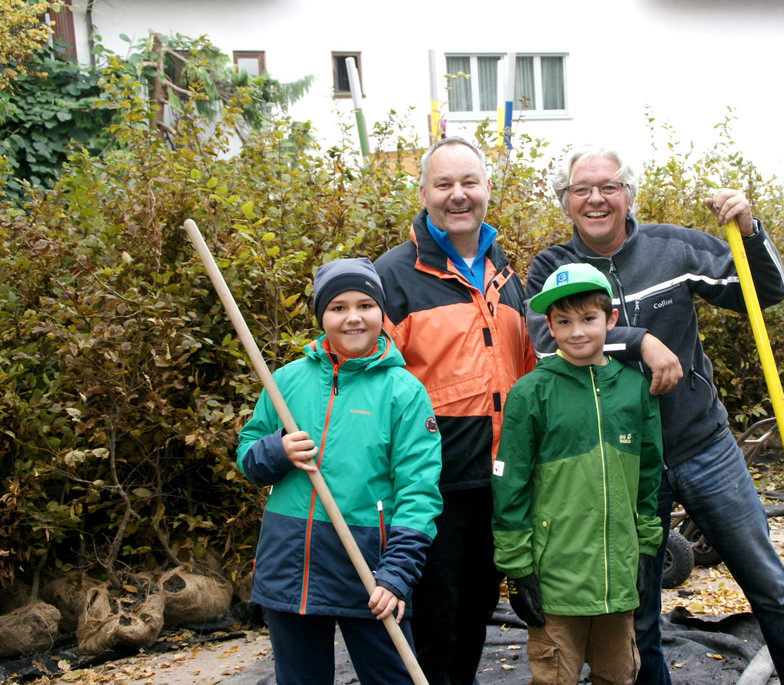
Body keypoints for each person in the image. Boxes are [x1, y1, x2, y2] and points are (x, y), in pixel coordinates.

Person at [525, 145, 784, 685]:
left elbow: (761, 291)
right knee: (638, 604)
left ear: (628, 195)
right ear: (566, 201)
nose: (596, 198)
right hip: (622, 462)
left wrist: (750, 228)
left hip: (702, 444)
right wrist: (639, 340)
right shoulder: (553, 268)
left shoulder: (674, 248)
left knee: (769, 583)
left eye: (610, 186)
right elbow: (548, 345)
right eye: (582, 189)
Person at [373, 136, 536, 685]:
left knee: (474, 618)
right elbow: (371, 385)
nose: (458, 195)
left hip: (498, 482)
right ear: (423, 192)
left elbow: (530, 373)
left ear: (488, 189)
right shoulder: (394, 276)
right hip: (429, 489)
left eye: (469, 182)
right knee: (431, 625)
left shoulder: (507, 276)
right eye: (444, 184)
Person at [235, 257, 443, 685]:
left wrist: (397, 573)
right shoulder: (286, 380)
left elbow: (419, 493)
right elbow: (248, 460)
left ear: (381, 312)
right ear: (322, 316)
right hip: (289, 563)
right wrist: (277, 449)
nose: (353, 318)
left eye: (365, 304)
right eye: (338, 307)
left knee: (392, 678)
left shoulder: (403, 392)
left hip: (369, 570)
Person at [492, 263, 663, 685]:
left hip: (616, 579)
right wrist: (517, 568)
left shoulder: (634, 389)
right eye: (563, 321)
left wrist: (645, 548)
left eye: (588, 318)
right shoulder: (531, 392)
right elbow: (509, 484)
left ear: (611, 320)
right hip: (555, 579)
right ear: (548, 325)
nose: (577, 332)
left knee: (619, 674)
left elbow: (648, 476)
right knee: (553, 678)